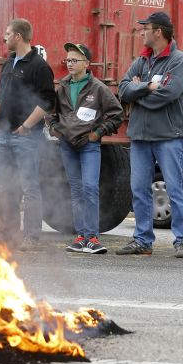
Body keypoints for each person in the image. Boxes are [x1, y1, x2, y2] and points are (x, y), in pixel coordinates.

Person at [116, 11, 183, 258]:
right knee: (138, 188)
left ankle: (182, 240)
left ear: (158, 31)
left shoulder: (178, 61)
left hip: (169, 135)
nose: (141, 32)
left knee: (175, 187)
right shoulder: (142, 61)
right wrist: (146, 87)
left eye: (145, 28)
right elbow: (123, 89)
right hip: (140, 136)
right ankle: (142, 240)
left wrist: (138, 97)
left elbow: (168, 95)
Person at [48, 43, 124, 254]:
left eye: (75, 60)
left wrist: (97, 134)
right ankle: (81, 237)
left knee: (90, 188)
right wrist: (55, 129)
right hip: (67, 146)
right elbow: (50, 112)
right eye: (68, 60)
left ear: (86, 64)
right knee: (76, 191)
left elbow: (116, 113)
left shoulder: (98, 88)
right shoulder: (62, 86)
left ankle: (93, 238)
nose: (70, 64)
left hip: (89, 146)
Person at [0, 18, 56, 251]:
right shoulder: (8, 64)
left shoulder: (39, 66)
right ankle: (9, 233)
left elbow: (48, 100)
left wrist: (26, 126)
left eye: (7, 34)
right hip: (3, 134)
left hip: (26, 137)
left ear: (18, 36)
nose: (4, 38)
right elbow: (0, 95)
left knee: (29, 186)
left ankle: (31, 236)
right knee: (5, 185)